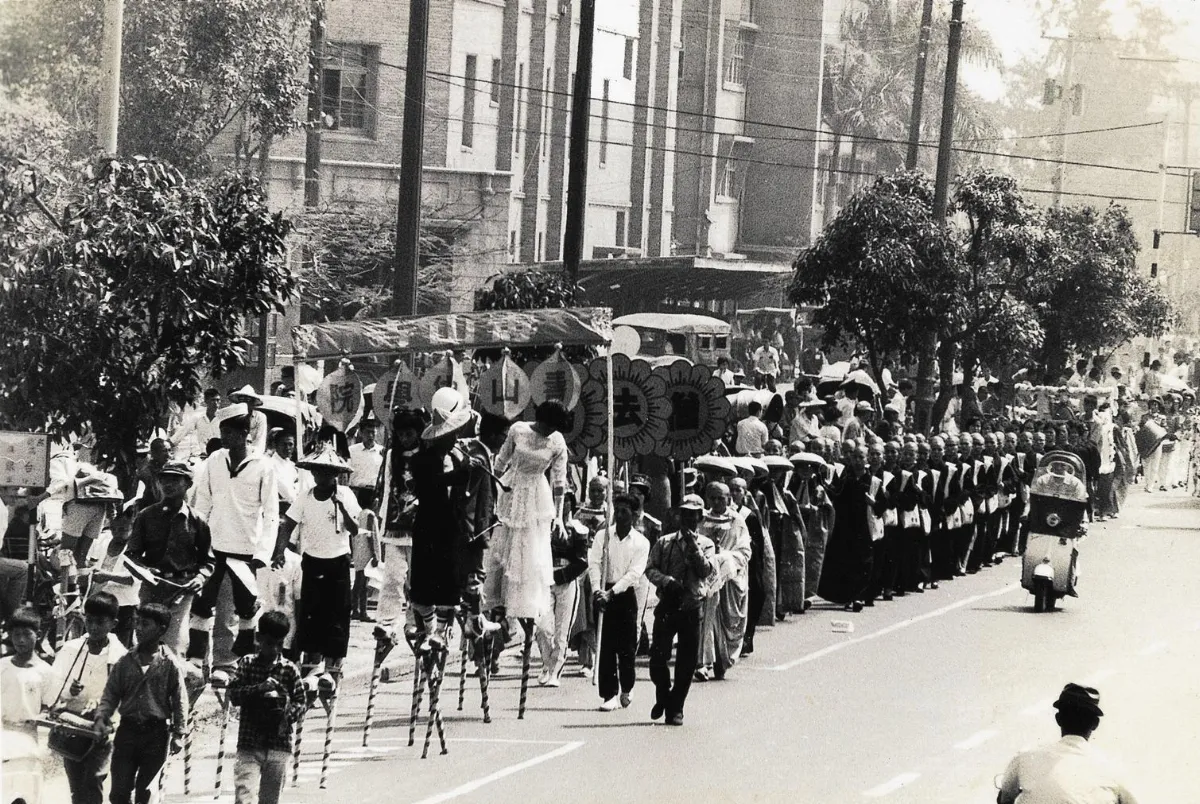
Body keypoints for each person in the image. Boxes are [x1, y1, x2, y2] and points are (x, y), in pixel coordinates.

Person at [187, 404, 279, 667]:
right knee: (203, 604)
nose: (224, 438)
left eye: (229, 432)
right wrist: (196, 539)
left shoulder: (264, 466)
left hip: (246, 547)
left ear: (244, 433)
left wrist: (263, 553)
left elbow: (272, 513)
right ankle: (196, 659)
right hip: (213, 545)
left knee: (246, 607)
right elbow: (203, 502)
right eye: (222, 432)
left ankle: (238, 662)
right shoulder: (215, 460)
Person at [274, 444, 360, 683]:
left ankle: (333, 665)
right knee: (312, 612)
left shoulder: (346, 495)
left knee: (338, 614)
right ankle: (313, 664)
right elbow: (288, 523)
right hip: (312, 561)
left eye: (326, 472)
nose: (320, 476)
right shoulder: (306, 496)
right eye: (317, 472)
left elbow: (354, 530)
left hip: (338, 562)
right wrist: (280, 549)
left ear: (334, 474)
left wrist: (341, 508)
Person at [483, 399, 569, 625]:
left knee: (528, 550)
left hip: (536, 495)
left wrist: (558, 516)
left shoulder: (557, 441)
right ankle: (494, 600)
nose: (550, 430)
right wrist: (491, 492)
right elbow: (501, 461)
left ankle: (522, 605)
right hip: (511, 487)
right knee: (502, 543)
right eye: (549, 425)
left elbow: (559, 481)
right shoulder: (518, 429)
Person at [94, 602, 189, 804]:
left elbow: (179, 699)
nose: (138, 628)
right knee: (119, 792)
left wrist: (179, 733)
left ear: (161, 629)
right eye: (136, 623)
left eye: (145, 624)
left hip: (155, 735)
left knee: (146, 792)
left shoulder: (169, 663)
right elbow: (111, 694)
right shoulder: (125, 661)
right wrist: (102, 717)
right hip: (127, 732)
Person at [46, 592, 127, 804]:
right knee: (76, 783)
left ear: (113, 623)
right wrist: (69, 692)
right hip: (73, 728)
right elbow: (53, 689)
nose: (93, 627)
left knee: (94, 779)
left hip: (102, 731)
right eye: (89, 621)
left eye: (100, 622)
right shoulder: (71, 650)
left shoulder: (121, 657)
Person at [997, 683, 1138, 804]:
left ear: (1058, 719)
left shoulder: (1025, 759)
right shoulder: (1112, 768)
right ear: (1095, 724)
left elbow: (1004, 798)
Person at [127, 461, 214, 654]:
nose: (168, 484)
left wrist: (199, 578)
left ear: (188, 484)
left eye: (175, 479)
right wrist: (144, 570)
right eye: (164, 479)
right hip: (152, 588)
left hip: (180, 590)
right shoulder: (146, 516)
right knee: (145, 642)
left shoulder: (197, 520)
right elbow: (131, 554)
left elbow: (208, 561)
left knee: (174, 646)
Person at [644, 494, 716, 726]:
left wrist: (693, 546)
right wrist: (666, 581)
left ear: (700, 517)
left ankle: (676, 707)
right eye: (684, 514)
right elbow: (650, 569)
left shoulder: (707, 544)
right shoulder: (665, 542)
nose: (687, 519)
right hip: (668, 604)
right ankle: (663, 694)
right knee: (658, 658)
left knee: (686, 661)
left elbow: (706, 571)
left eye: (693, 515)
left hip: (691, 606)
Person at [227, 611, 307, 804]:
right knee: (243, 795)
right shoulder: (247, 663)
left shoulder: (289, 669)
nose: (275, 649)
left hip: (278, 745)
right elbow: (234, 694)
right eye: (269, 643)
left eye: (280, 644)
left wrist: (284, 715)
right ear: (258, 639)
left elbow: (301, 702)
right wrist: (258, 689)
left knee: (270, 799)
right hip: (249, 742)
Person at [589, 493, 649, 711]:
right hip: (603, 593)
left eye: (625, 511)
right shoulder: (602, 537)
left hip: (624, 596)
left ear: (633, 515)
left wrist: (611, 593)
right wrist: (597, 590)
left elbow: (634, 573)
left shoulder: (641, 542)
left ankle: (627, 687)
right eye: (617, 510)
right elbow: (595, 563)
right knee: (605, 647)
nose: (620, 515)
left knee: (626, 647)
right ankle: (608, 695)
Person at [695, 482, 752, 681]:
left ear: (729, 499)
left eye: (722, 498)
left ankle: (722, 661)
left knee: (728, 622)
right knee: (706, 621)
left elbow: (745, 551)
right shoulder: (701, 519)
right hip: (707, 580)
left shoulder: (737, 521)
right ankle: (703, 663)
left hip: (729, 580)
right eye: (713, 498)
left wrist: (724, 558)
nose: (717, 502)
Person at [171, 388, 222, 460]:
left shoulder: (223, 417)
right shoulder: (198, 417)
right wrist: (169, 443)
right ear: (206, 401)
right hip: (202, 456)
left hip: (219, 456)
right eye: (213, 400)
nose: (216, 403)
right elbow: (183, 431)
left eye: (218, 400)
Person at [229, 385, 270, 456]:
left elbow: (260, 441)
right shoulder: (233, 417)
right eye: (241, 400)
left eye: (247, 400)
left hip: (254, 454)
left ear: (253, 402)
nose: (244, 403)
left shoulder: (260, 417)